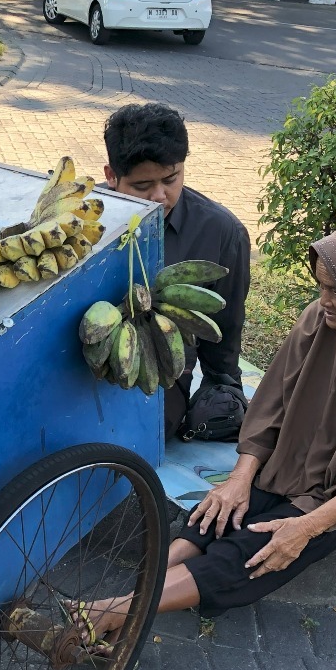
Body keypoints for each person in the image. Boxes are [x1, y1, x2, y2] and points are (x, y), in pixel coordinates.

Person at [67, 217, 336, 645]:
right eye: (320, 286)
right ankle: (125, 606)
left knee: (259, 548)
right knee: (218, 515)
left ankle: (117, 609)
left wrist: (307, 526)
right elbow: (270, 410)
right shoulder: (317, 323)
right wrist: (237, 480)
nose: (323, 301)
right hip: (300, 455)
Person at [103, 102, 251, 441]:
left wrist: (224, 394)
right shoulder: (86, 222)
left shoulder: (221, 232)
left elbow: (226, 328)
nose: (160, 196)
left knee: (142, 438)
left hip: (161, 381)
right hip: (84, 370)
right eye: (142, 186)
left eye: (171, 179)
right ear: (112, 176)